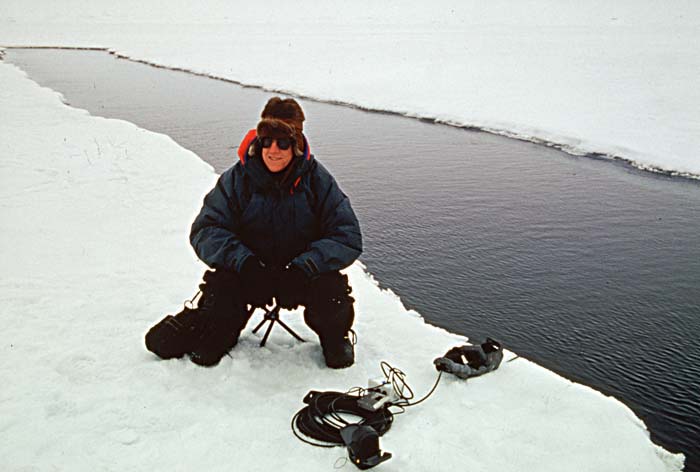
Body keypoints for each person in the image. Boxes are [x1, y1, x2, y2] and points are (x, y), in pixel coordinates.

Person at [145, 97, 362, 369]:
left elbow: (347, 235)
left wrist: (304, 267)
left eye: (283, 142)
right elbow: (206, 230)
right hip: (249, 273)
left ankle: (335, 338)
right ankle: (220, 330)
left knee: (331, 290)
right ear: (258, 141)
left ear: (296, 146)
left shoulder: (318, 181)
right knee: (212, 327)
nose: (274, 150)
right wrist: (244, 263)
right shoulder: (237, 179)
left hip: (299, 276)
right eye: (267, 141)